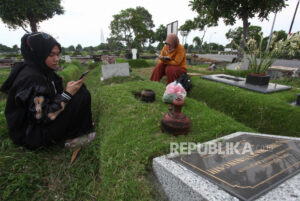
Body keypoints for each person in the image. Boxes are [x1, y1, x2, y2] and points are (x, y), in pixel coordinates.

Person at [0, 32, 95, 150]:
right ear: (39, 54)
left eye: (57, 54)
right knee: (79, 95)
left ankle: (82, 129)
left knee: (80, 91)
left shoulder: (42, 71)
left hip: (37, 126)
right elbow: (42, 116)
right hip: (31, 135)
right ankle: (71, 139)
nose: (56, 59)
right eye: (51, 55)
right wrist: (66, 94)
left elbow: (51, 98)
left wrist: (67, 91)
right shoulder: (31, 78)